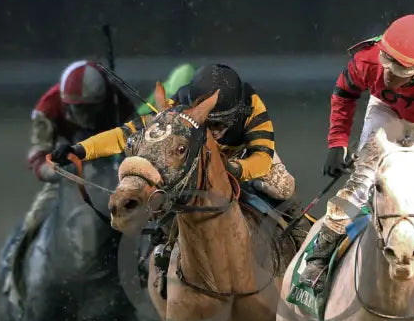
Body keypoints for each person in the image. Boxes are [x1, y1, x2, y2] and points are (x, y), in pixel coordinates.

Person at [301, 9, 414, 321]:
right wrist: (337, 141)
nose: (386, 73)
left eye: (399, 69)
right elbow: (345, 94)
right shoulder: (370, 58)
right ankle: (315, 265)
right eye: (386, 61)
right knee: (360, 184)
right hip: (384, 113)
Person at [51, 63, 296, 287]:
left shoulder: (253, 106)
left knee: (283, 187)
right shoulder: (177, 109)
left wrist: (231, 170)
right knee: (165, 186)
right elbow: (124, 134)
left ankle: (297, 233)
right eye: (207, 125)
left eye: (219, 126)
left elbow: (262, 159)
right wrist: (79, 150)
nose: (212, 132)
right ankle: (159, 248)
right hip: (193, 158)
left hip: (238, 156)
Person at [3, 60, 137, 304]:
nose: (82, 117)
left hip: (110, 176)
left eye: (89, 110)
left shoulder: (119, 103)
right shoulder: (47, 108)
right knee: (35, 219)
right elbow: (37, 157)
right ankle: (14, 276)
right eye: (76, 110)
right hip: (66, 178)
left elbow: (137, 142)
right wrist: (57, 170)